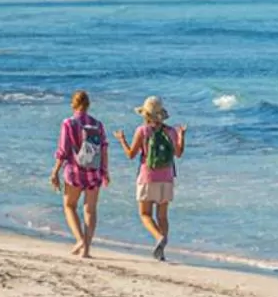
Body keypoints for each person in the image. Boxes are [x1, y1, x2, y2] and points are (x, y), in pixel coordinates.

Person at [120, 95, 185, 260]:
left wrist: (122, 140)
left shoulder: (142, 131)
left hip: (147, 177)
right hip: (167, 177)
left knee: (145, 214)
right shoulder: (170, 131)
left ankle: (158, 237)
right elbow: (178, 153)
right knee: (162, 216)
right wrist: (182, 135)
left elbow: (131, 154)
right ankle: (161, 251)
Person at [50, 90, 108, 259]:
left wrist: (55, 172)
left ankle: (80, 240)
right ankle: (86, 250)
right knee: (90, 210)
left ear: (73, 105)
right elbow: (104, 148)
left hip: (74, 172)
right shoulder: (98, 124)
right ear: (88, 105)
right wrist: (105, 171)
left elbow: (63, 151)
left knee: (69, 206)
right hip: (94, 172)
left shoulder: (68, 123)